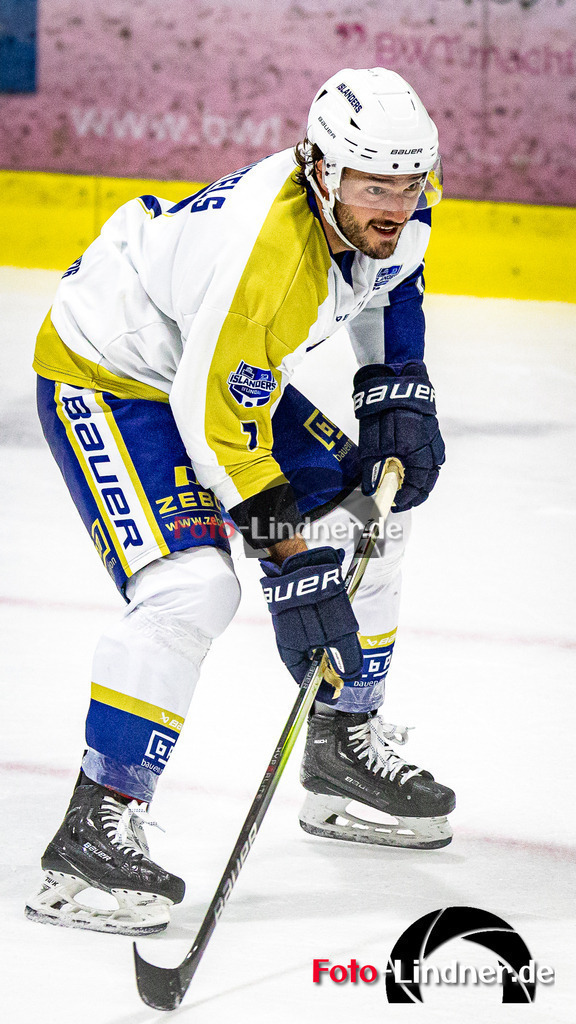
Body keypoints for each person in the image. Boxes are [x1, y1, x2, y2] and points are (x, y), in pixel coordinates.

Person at [26, 67, 454, 936]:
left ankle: (339, 746)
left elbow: (395, 278)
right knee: (193, 587)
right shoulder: (271, 256)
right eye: (374, 187)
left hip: (208, 368)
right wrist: (291, 565)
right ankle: (91, 827)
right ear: (319, 171)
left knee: (374, 511)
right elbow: (216, 422)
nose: (396, 205)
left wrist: (396, 382)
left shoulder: (398, 203)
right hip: (112, 372)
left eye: (409, 185)